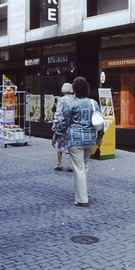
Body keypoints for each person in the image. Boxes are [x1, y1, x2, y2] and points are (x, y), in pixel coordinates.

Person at [52, 77, 104, 207]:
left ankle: (81, 199)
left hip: (75, 140)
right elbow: (100, 121)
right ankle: (83, 193)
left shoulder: (71, 104)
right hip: (90, 140)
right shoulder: (93, 103)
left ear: (74, 90)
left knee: (79, 168)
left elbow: (64, 123)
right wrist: (100, 138)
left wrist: (56, 136)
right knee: (84, 167)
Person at [51, 83, 74, 172]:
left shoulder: (61, 100)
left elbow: (59, 112)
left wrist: (55, 124)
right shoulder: (75, 99)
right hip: (72, 125)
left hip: (63, 125)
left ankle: (59, 163)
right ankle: (71, 165)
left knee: (60, 142)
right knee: (71, 144)